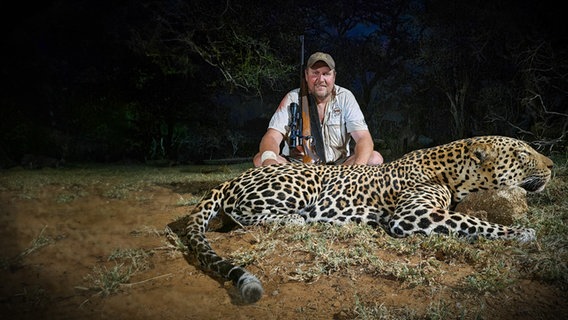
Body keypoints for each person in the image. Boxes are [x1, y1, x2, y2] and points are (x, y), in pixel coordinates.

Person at [253, 52, 383, 167]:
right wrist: (269, 162)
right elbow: (271, 137)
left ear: (334, 76)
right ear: (306, 74)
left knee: (374, 158)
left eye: (326, 74)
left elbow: (363, 138)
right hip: (297, 168)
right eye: (315, 73)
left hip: (338, 167)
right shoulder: (292, 98)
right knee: (260, 159)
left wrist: (358, 168)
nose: (321, 79)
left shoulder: (346, 97)